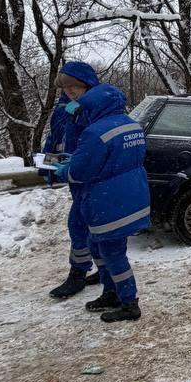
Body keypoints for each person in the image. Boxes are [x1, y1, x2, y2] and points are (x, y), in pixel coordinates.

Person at [57, 80, 151, 323]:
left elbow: (80, 172)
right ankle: (112, 292)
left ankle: (129, 302)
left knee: (111, 250)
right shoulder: (132, 125)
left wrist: (62, 169)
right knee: (100, 245)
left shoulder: (96, 133)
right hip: (130, 195)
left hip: (107, 200)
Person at [44, 60, 101, 299]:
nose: (69, 90)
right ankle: (102, 266)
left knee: (81, 224)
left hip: (91, 177)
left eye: (74, 86)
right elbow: (56, 137)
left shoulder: (96, 108)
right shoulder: (64, 107)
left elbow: (99, 143)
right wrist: (48, 163)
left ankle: (78, 274)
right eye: (65, 86)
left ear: (86, 84)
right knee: (88, 225)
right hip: (73, 174)